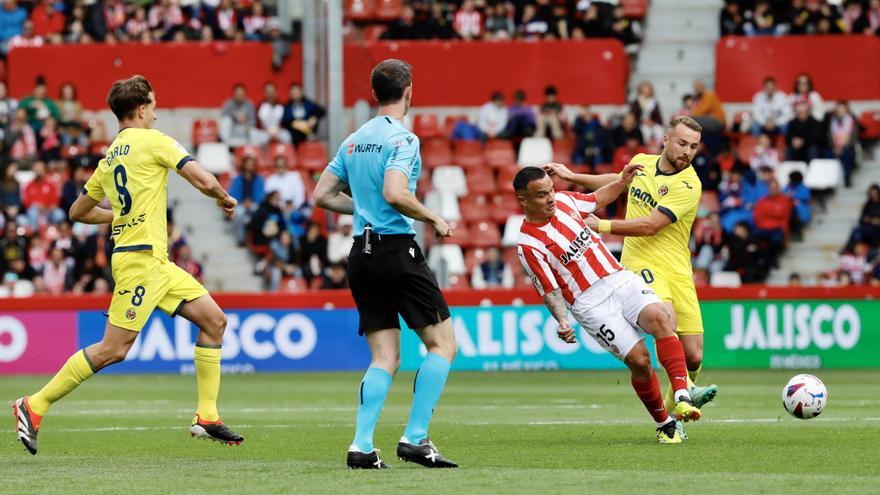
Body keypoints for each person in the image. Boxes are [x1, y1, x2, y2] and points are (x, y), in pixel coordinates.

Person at [14, 75, 244, 456]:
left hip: (156, 260)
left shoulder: (111, 156)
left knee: (214, 320)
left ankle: (206, 415)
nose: (155, 112)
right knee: (113, 349)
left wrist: (119, 214)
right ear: (141, 108)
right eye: (153, 105)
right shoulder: (155, 141)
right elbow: (199, 177)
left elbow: (78, 211)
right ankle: (34, 405)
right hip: (139, 261)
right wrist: (223, 197)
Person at [313, 59, 458, 469]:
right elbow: (396, 194)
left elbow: (322, 195)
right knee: (443, 345)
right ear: (409, 90)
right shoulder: (403, 139)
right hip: (396, 250)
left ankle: (361, 446)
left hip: (361, 253)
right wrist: (433, 217)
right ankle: (415, 438)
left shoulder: (354, 140)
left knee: (384, 357)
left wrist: (362, 207)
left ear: (376, 93)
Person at [545, 116, 718, 440]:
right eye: (682, 143)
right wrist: (572, 176)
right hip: (641, 261)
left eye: (693, 147)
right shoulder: (641, 162)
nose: (687, 152)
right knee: (661, 318)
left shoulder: (689, 184)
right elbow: (618, 180)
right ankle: (680, 403)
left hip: (678, 268)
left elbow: (652, 224)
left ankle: (677, 400)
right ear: (666, 139)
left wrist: (603, 225)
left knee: (694, 354)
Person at [514, 164, 701, 444]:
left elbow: (597, 199)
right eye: (542, 195)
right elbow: (549, 290)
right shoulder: (528, 244)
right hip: (590, 304)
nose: (551, 198)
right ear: (523, 200)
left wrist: (623, 181)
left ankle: (682, 395)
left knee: (661, 319)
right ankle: (664, 423)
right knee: (640, 362)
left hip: (619, 278)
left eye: (551, 190)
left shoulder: (565, 201)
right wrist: (563, 321)